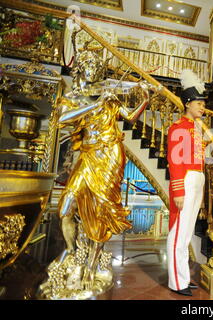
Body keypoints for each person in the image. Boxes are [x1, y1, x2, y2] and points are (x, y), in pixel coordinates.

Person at [39, 48, 150, 298]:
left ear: (100, 71)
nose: (92, 70)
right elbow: (63, 118)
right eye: (88, 66)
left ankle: (91, 263)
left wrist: (144, 98)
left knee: (100, 210)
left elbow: (130, 117)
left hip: (110, 155)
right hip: (88, 155)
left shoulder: (109, 98)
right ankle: (70, 250)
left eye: (96, 67)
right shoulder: (76, 96)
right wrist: (96, 104)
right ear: (82, 69)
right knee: (66, 206)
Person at [166, 70, 207, 296]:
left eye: (203, 104)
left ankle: (183, 276)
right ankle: (176, 281)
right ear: (188, 104)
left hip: (197, 180)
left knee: (187, 232)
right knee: (178, 233)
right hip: (186, 180)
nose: (202, 108)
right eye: (199, 104)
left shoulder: (197, 129)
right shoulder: (178, 128)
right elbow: (175, 162)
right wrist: (179, 190)